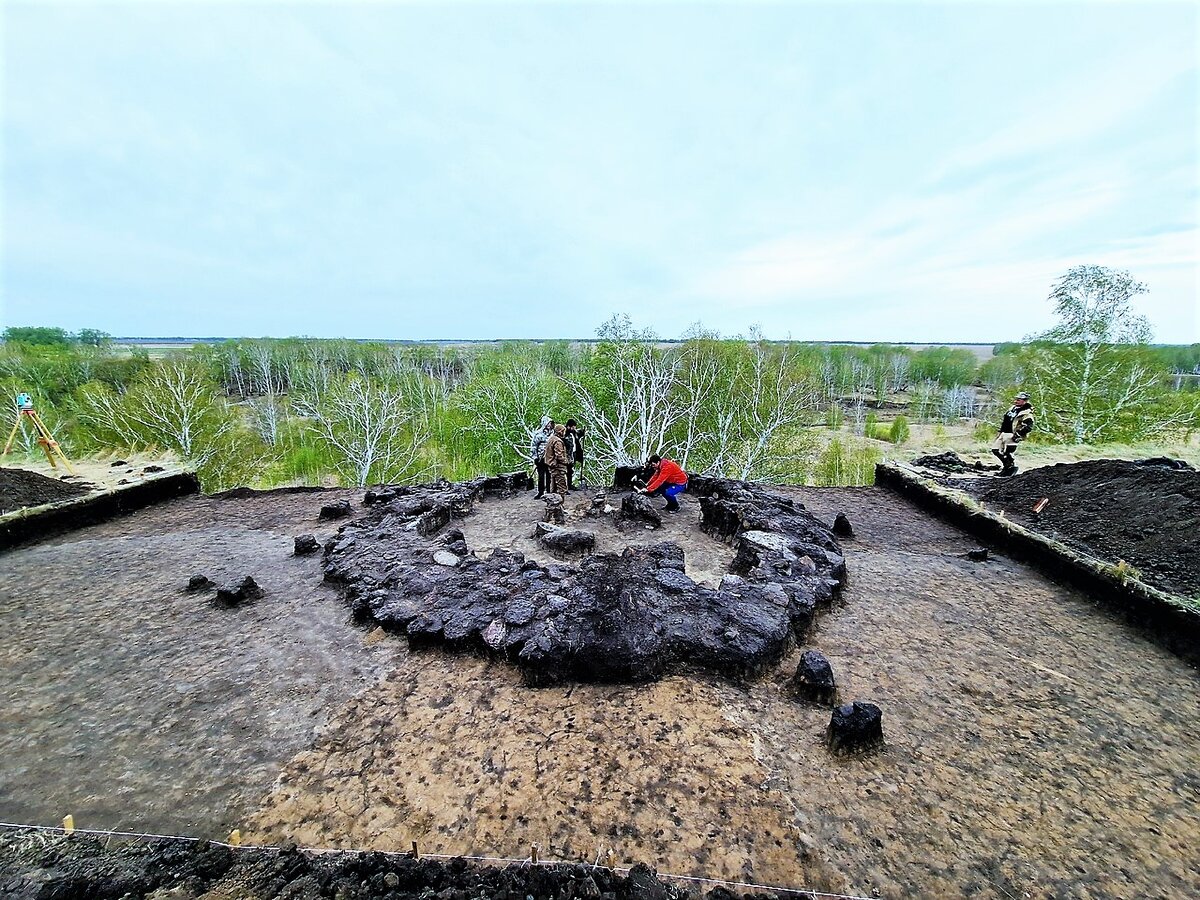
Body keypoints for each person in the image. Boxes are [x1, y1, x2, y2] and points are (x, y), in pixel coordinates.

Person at [991, 392, 1035, 476]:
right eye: (1016, 399)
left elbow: (1028, 427)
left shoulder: (1027, 413)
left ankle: (1010, 469)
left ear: (1024, 401)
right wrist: (1000, 432)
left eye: (1018, 400)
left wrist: (1018, 434)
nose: (1016, 401)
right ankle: (1007, 467)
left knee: (1008, 452)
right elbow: (1005, 420)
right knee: (995, 450)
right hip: (1004, 432)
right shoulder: (1012, 409)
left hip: (1012, 434)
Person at [544, 423, 570, 498]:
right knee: (562, 488)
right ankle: (559, 505)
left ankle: (553, 505)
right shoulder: (558, 441)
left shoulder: (551, 439)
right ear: (560, 432)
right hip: (558, 467)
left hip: (552, 466)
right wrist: (566, 461)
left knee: (554, 488)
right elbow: (559, 456)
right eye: (563, 431)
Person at [531, 416, 554, 498]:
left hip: (550, 457)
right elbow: (534, 446)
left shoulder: (553, 433)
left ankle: (549, 491)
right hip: (540, 458)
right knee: (541, 476)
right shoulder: (538, 434)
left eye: (550, 423)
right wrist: (535, 457)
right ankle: (540, 492)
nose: (549, 425)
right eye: (548, 423)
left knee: (549, 475)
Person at [564, 419, 580, 490]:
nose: (574, 429)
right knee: (565, 470)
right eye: (573, 427)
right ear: (568, 426)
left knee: (570, 470)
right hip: (566, 454)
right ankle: (565, 485)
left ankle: (569, 485)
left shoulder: (573, 433)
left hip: (573, 453)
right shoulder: (564, 433)